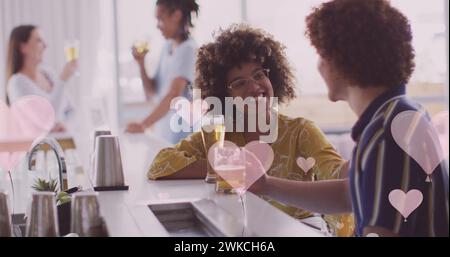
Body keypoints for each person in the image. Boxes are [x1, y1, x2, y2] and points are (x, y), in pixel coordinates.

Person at [248, 0, 449, 237]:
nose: (319, 66)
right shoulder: (400, 114)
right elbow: (349, 194)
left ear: (341, 61)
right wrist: (267, 185)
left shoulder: (387, 132)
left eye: (322, 55)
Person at [148, 25, 355, 236]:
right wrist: (224, 167)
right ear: (223, 96)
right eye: (239, 83)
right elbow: (160, 165)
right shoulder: (221, 135)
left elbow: (337, 174)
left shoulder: (301, 131)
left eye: (258, 75)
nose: (255, 87)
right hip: (242, 231)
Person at [125, 0, 199, 145]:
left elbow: (173, 95)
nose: (157, 26)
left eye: (160, 19)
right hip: (164, 135)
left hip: (180, 138)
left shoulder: (188, 50)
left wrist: (143, 124)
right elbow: (152, 92)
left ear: (176, 15)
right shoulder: (167, 47)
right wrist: (141, 63)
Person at [6, 25, 77, 132]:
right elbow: (48, 118)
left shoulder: (48, 73)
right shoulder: (17, 83)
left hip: (63, 144)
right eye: (39, 40)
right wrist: (62, 80)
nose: (45, 46)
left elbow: (72, 110)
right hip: (38, 148)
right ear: (23, 47)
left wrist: (65, 126)